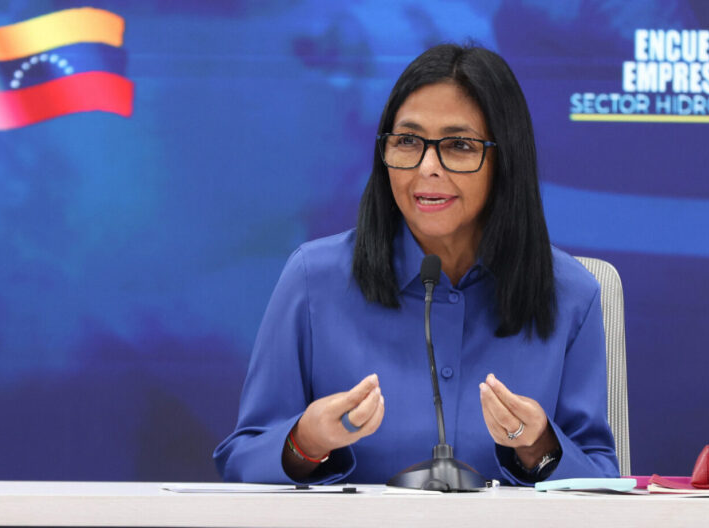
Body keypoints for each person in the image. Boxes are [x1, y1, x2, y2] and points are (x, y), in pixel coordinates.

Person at [214, 44, 619, 485]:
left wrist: (539, 446)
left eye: (459, 145)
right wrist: (306, 441)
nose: (427, 167)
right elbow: (242, 459)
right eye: (407, 141)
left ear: (506, 160)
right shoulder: (314, 279)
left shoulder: (571, 294)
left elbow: (601, 479)